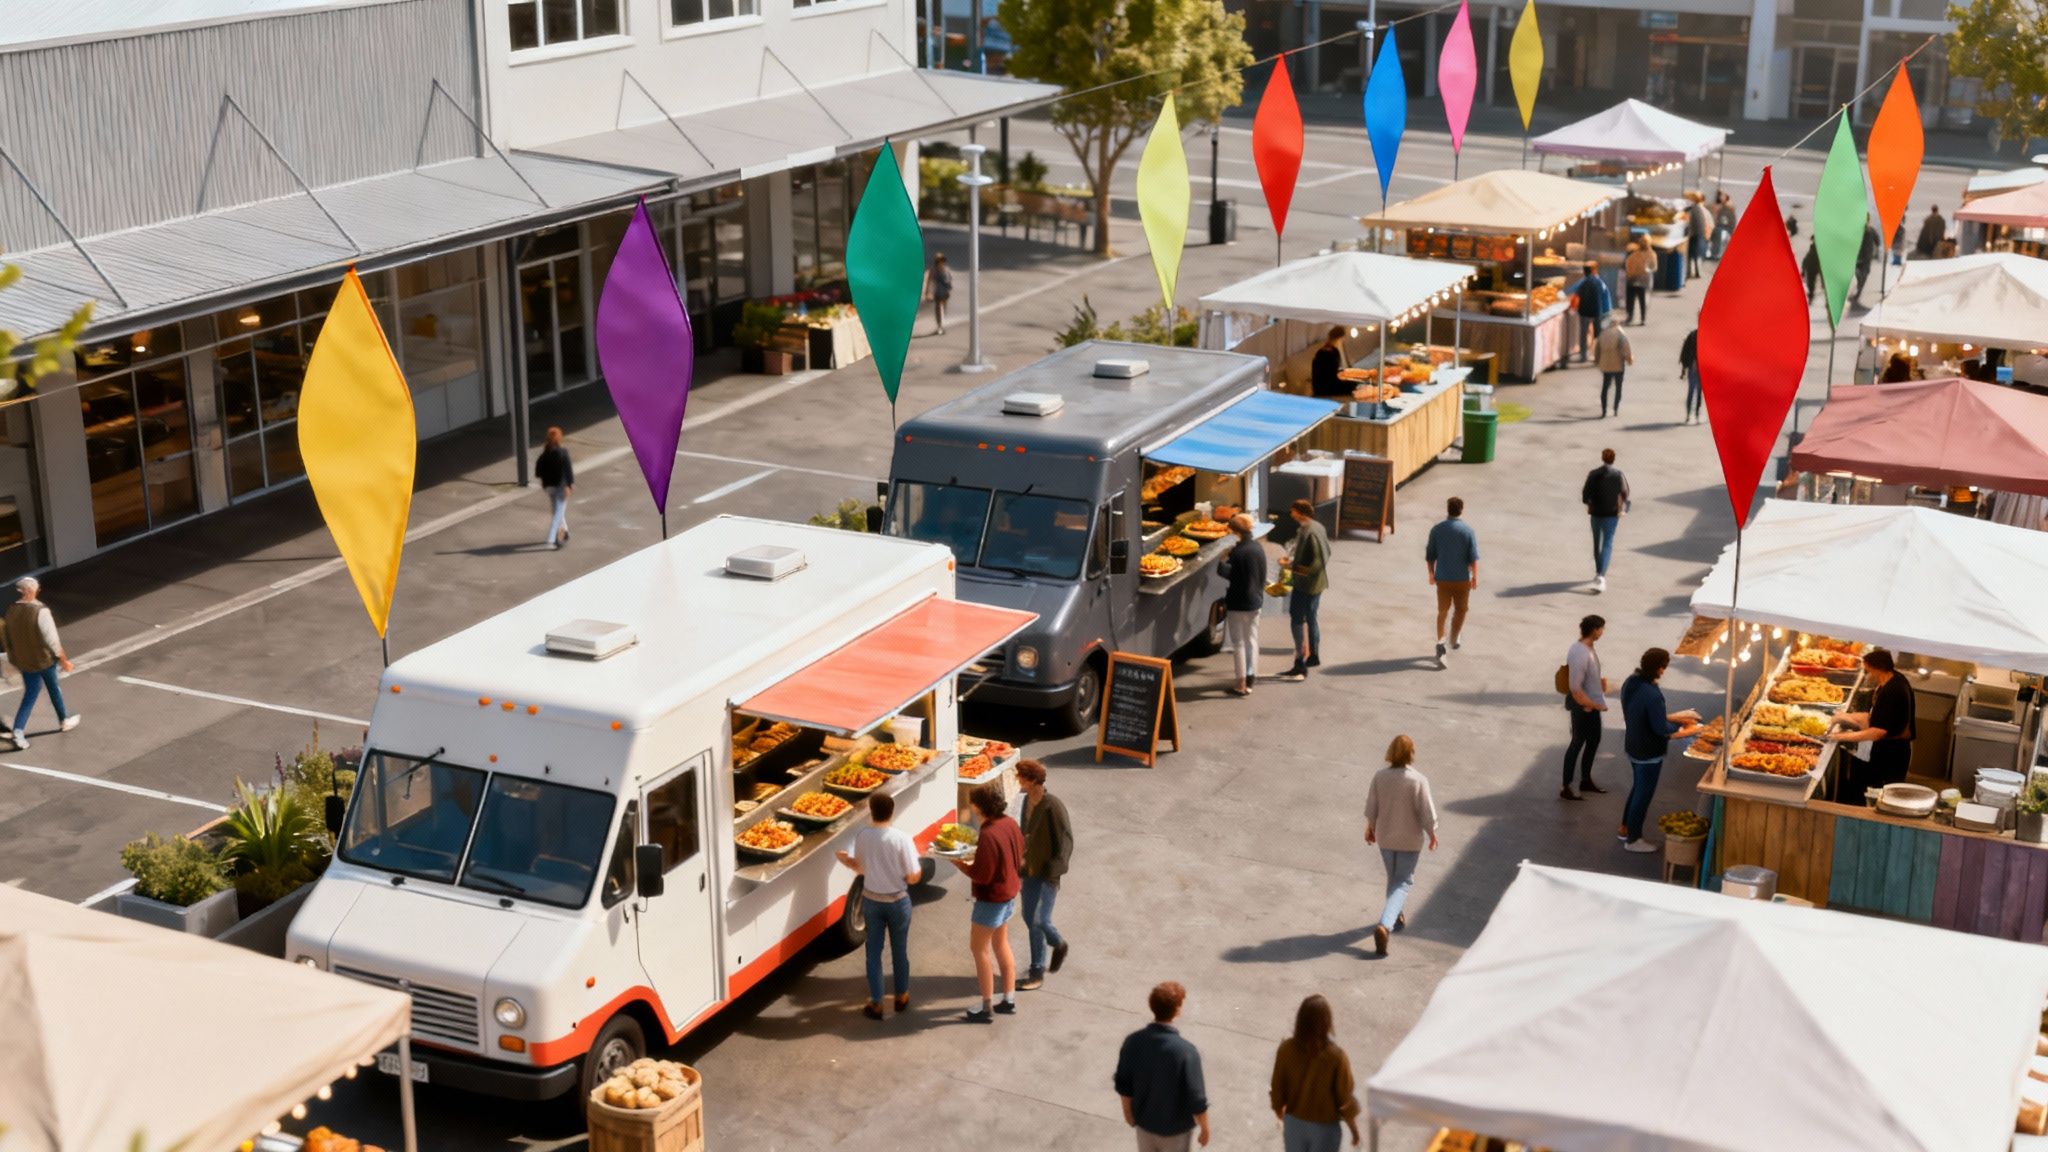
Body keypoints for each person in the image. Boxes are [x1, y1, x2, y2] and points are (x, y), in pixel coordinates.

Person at [835, 792, 923, 1019]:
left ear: (871, 811)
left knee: (873, 953)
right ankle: (902, 995)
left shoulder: (863, 836)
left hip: (872, 901)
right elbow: (913, 876)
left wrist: (844, 860)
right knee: (900, 951)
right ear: (892, 812)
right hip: (898, 902)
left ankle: (876, 1003)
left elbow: (860, 868)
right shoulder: (902, 839)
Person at [949, 782, 1024, 1023]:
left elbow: (981, 875)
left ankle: (986, 1007)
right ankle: (1008, 999)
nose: (970, 806)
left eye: (973, 803)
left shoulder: (989, 834)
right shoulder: (1009, 823)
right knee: (1001, 945)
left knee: (979, 950)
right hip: (1009, 895)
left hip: (991, 900)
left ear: (980, 807)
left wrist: (958, 862)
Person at [1618, 647, 1702, 852]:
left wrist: (1676, 718)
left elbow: (1646, 716)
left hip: (1633, 744)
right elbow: (1660, 729)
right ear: (1660, 669)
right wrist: (1686, 728)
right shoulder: (1653, 695)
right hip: (1649, 750)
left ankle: (1625, 829)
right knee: (1643, 794)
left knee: (1637, 788)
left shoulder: (1631, 682)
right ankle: (1633, 840)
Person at [1363, 734, 1437, 957]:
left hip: (1386, 837)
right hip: (1409, 840)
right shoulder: (1418, 780)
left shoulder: (1380, 777)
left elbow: (1371, 806)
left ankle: (1397, 914)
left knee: (1394, 879)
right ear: (1411, 754)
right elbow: (1427, 813)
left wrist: (1370, 828)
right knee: (1403, 882)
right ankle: (1385, 924)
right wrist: (1432, 833)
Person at [1114, 982, 1211, 1151]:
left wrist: (1129, 1114)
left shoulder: (1133, 1042)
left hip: (1145, 1126)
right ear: (1178, 1009)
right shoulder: (1186, 1052)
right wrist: (1205, 1128)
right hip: (1176, 1133)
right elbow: (1196, 1098)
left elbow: (1124, 1084)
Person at [1269, 995, 1362, 1152]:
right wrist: (1354, 1129)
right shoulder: (1336, 1057)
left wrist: (1279, 1111)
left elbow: (1277, 1086)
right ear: (1327, 1022)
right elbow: (1345, 1099)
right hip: (1324, 1129)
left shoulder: (1285, 1049)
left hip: (1294, 1125)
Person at [1014, 760, 1072, 991]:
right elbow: (1023, 832)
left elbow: (1066, 841)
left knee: (1039, 920)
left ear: (1031, 780)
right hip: (1029, 870)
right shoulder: (1026, 800)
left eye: (1020, 777)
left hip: (1047, 873)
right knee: (1029, 918)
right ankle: (1056, 945)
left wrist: (1053, 872)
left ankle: (1038, 969)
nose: (1017, 781)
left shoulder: (1052, 806)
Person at [4, 577, 79, 749]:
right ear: (31, 591)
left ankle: (18, 731)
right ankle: (64, 720)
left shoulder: (11, 611)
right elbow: (53, 641)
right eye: (37, 590)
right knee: (54, 688)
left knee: (30, 695)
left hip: (24, 662)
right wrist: (64, 661)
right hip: (43, 660)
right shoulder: (40, 611)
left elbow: (7, 639)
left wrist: (15, 659)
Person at [1832, 648, 1916, 796]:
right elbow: (1874, 717)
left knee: (1879, 795)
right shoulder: (1893, 678)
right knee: (1861, 786)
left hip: (1891, 755)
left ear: (1879, 669)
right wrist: (1844, 717)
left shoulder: (1892, 692)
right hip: (1883, 748)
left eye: (1868, 671)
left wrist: (1840, 737)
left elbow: (1877, 732)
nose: (1867, 676)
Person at [1277, 500, 1329, 683]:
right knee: (1311, 617)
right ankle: (1311, 655)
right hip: (1316, 583)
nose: (1291, 515)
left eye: (1293, 512)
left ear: (1300, 512)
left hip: (1307, 585)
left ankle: (1302, 660)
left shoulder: (1309, 531)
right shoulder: (1317, 527)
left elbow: (1315, 563)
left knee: (1298, 618)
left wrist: (1292, 568)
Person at [1424, 497, 1478, 668]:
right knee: (1461, 609)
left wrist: (1431, 574)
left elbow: (1430, 556)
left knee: (1443, 611)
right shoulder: (1468, 531)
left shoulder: (1437, 530)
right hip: (1462, 579)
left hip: (1443, 579)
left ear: (1448, 509)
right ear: (1461, 510)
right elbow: (1473, 558)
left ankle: (1441, 642)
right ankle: (1454, 636)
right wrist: (1474, 577)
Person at [1218, 514, 1268, 696]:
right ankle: (1251, 678)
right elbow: (1262, 574)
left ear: (1235, 531)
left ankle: (1240, 684)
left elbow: (1228, 573)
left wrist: (1222, 560)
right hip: (1255, 601)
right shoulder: (1258, 548)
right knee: (1252, 641)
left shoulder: (1237, 553)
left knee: (1238, 643)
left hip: (1238, 602)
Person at [1561, 614, 1609, 801]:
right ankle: (1567, 785)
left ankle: (1585, 780)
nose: (1602, 632)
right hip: (1583, 708)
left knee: (1593, 741)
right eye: (1601, 629)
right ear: (1595, 630)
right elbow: (1575, 688)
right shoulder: (1581, 653)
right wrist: (1593, 704)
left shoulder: (1587, 648)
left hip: (1591, 706)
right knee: (1577, 743)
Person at [1582, 448, 1629, 592]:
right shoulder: (1618, 475)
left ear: (1602, 458)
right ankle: (1601, 576)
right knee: (1607, 543)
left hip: (1596, 513)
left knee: (1597, 543)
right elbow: (1625, 492)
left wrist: (1590, 503)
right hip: (1612, 514)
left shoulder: (1593, 474)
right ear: (1613, 460)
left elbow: (1585, 494)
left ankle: (1598, 572)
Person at [535, 426, 573, 550]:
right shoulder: (562, 452)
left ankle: (565, 531)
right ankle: (552, 539)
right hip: (561, 487)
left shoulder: (545, 453)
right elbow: (568, 471)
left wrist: (543, 480)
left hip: (548, 487)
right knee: (558, 513)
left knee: (557, 511)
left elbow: (538, 471)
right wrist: (569, 485)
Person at [1569, 262, 1611, 363]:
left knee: (1583, 334)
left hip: (1584, 311)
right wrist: (1607, 310)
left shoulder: (1582, 282)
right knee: (1598, 334)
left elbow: (1572, 292)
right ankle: (1598, 356)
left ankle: (1583, 355)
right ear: (1594, 270)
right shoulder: (1599, 282)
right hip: (1597, 311)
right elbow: (1606, 296)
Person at [1594, 314, 1633, 418]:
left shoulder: (1603, 334)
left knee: (1605, 387)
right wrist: (1629, 360)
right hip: (1618, 365)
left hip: (1605, 365)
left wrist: (1597, 361)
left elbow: (1597, 350)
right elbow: (1626, 350)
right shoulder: (1621, 334)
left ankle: (1604, 410)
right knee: (1618, 387)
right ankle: (1615, 408)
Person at [1622, 240, 1657, 326]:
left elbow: (1628, 265)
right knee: (1641, 300)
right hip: (1642, 281)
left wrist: (1630, 274)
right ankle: (1642, 318)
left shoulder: (1635, 254)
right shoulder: (1651, 254)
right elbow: (1653, 267)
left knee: (1631, 300)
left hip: (1633, 279)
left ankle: (1631, 317)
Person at [1310, 328, 1349, 398]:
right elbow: (1333, 375)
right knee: (1356, 385)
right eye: (1342, 340)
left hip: (1318, 388)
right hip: (1327, 389)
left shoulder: (1320, 351)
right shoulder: (1333, 352)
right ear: (1339, 339)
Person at [1679, 325, 1704, 424]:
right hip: (1698, 370)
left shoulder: (1692, 335)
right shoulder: (1694, 336)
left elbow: (1684, 353)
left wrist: (1684, 369)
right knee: (1696, 393)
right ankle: (1694, 414)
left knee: (1694, 392)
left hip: (1696, 369)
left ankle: (1691, 415)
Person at [1685, 192, 1711, 278]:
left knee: (1693, 255)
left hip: (1695, 235)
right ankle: (1696, 272)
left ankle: (1691, 272)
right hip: (1699, 234)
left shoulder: (1694, 209)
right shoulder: (1698, 208)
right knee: (1696, 255)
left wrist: (1688, 234)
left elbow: (1691, 223)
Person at [1853, 223, 1879, 306]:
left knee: (1859, 272)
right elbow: (1878, 242)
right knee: (1864, 273)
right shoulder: (1871, 230)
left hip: (1858, 256)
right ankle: (1859, 290)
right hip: (1866, 256)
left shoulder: (1856, 229)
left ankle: (1858, 289)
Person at [930, 253, 953, 334]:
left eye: (941, 260)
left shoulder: (946, 269)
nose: (940, 262)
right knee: (938, 309)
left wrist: (949, 287)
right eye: (939, 260)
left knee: (942, 309)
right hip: (937, 292)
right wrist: (928, 292)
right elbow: (930, 281)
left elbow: (950, 279)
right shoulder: (933, 270)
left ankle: (941, 326)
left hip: (944, 292)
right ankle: (939, 326)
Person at [1712, 193, 1736, 260]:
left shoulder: (1729, 206)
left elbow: (1731, 219)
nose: (1721, 197)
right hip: (1720, 225)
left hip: (1728, 226)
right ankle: (1715, 254)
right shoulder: (1719, 206)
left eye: (1723, 196)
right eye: (1720, 196)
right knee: (1718, 235)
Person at [1802, 239, 1821, 303]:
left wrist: (1803, 271)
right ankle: (1810, 296)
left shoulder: (1812, 251)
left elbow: (1805, 261)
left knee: (1811, 283)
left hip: (1811, 268)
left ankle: (1810, 296)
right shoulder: (1813, 251)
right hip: (1813, 268)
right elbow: (1805, 261)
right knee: (1811, 283)